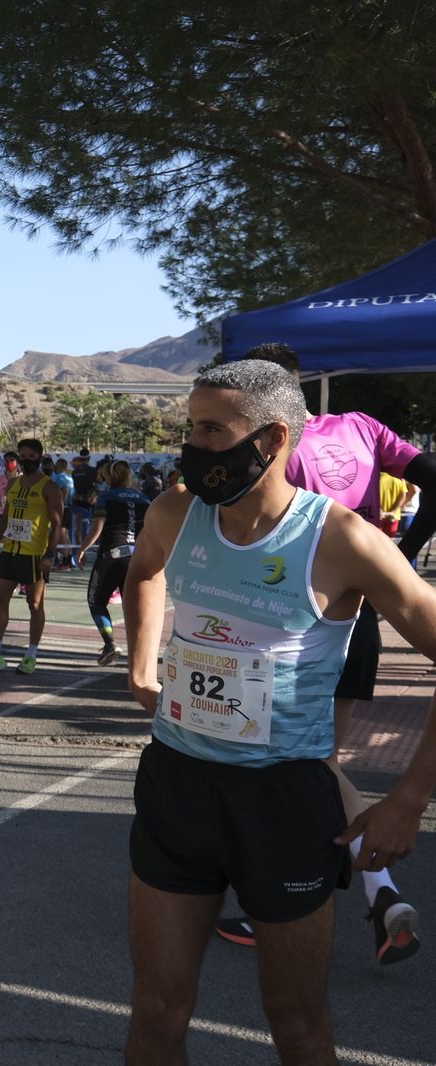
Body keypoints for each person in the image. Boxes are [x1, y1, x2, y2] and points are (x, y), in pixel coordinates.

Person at [122, 359, 436, 1063]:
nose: (194, 446)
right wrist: (142, 665)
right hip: (177, 783)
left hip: (284, 800)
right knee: (155, 1012)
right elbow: (142, 571)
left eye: (212, 430)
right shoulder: (175, 513)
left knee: (296, 1026)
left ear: (272, 439)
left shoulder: (343, 540)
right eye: (190, 428)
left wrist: (408, 800)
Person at [210, 341, 436, 960]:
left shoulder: (276, 449)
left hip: (294, 615)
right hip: (361, 612)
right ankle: (378, 893)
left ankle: (289, 901)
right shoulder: (361, 427)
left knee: (290, 770)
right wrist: (402, 554)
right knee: (321, 763)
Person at [0, 438, 63, 675]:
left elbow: (57, 523)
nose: (26, 460)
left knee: (34, 604)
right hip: (9, 552)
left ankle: (31, 655)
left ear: (40, 459)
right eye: (23, 456)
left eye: (32, 456)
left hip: (34, 555)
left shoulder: (49, 486)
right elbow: (5, 518)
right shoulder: (13, 485)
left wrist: (49, 555)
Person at [76, 460, 149, 666]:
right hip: (136, 557)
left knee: (96, 602)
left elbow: (98, 527)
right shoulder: (144, 499)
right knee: (132, 607)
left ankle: (110, 643)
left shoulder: (106, 497)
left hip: (111, 556)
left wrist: (82, 549)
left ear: (109, 477)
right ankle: (139, 653)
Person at [51, 457, 76, 569]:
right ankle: (68, 560)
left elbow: (64, 490)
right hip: (68, 507)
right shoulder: (69, 477)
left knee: (61, 534)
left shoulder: (60, 477)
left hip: (63, 508)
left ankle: (64, 562)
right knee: (65, 534)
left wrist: (59, 504)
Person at [379, 472, 414, 536]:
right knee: (389, 541)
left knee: (376, 540)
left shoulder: (377, 477)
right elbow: (403, 496)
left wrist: (380, 510)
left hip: (379, 515)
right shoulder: (400, 478)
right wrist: (393, 511)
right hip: (394, 516)